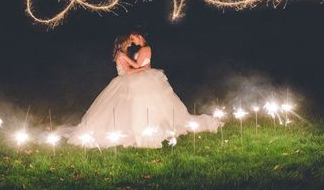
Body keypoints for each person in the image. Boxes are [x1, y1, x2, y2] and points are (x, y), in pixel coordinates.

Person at [64, 32, 222, 148]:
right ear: (122, 43)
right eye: (128, 41)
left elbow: (136, 66)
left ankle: (146, 127)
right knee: (125, 108)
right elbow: (130, 71)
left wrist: (141, 67)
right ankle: (135, 129)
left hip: (130, 80)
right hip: (125, 81)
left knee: (139, 105)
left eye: (132, 40)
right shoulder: (121, 55)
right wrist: (142, 68)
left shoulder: (128, 52)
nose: (130, 43)